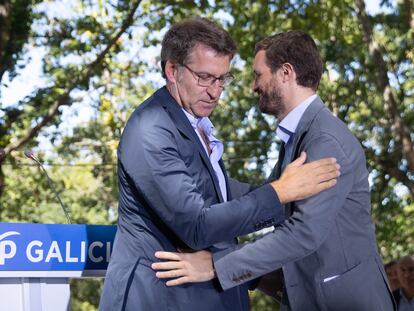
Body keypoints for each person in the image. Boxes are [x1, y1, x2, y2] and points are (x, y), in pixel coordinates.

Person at [99, 19, 340, 311]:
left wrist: (292, 193)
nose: (215, 92)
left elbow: (219, 192)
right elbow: (197, 225)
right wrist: (279, 193)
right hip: (165, 299)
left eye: (222, 79)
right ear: (172, 70)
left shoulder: (193, 122)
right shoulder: (150, 128)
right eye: (204, 77)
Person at [152, 30, 396, 311]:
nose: (253, 86)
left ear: (286, 73)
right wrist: (201, 179)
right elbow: (272, 199)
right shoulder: (301, 135)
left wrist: (214, 266)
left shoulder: (324, 139)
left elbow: (302, 233)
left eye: (258, 75)